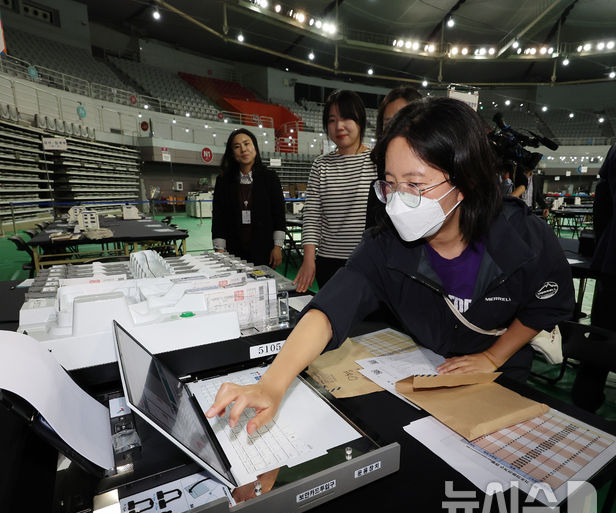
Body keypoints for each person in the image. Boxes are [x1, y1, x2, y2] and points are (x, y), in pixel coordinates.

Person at [206, 98, 574, 435]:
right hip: (424, 370)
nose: (398, 202)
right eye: (391, 185)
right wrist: (273, 382)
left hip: (499, 374)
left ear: (467, 181)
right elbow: (330, 309)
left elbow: (547, 305)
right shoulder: (386, 245)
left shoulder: (523, 238)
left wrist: (493, 356)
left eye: (415, 185)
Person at [294, 90, 376, 292]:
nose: (339, 126)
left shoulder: (377, 161)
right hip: (328, 262)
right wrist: (308, 259)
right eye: (332, 120)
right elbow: (312, 215)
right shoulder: (320, 165)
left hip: (368, 262)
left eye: (346, 117)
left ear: (360, 120)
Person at [571, 141, 616, 412]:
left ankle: (583, 407)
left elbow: (602, 205)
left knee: (600, 340)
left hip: (613, 261)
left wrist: (605, 244)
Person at [212, 128, 286, 267]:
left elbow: (279, 215)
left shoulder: (270, 178)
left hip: (264, 251)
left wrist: (277, 247)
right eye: (237, 146)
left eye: (247, 144)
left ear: (255, 147)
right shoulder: (223, 181)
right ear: (232, 153)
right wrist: (219, 251)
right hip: (232, 252)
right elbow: (219, 218)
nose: (243, 149)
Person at [365, 86, 423, 230]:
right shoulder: (379, 188)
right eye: (389, 124)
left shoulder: (438, 183)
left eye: (404, 121)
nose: (396, 129)